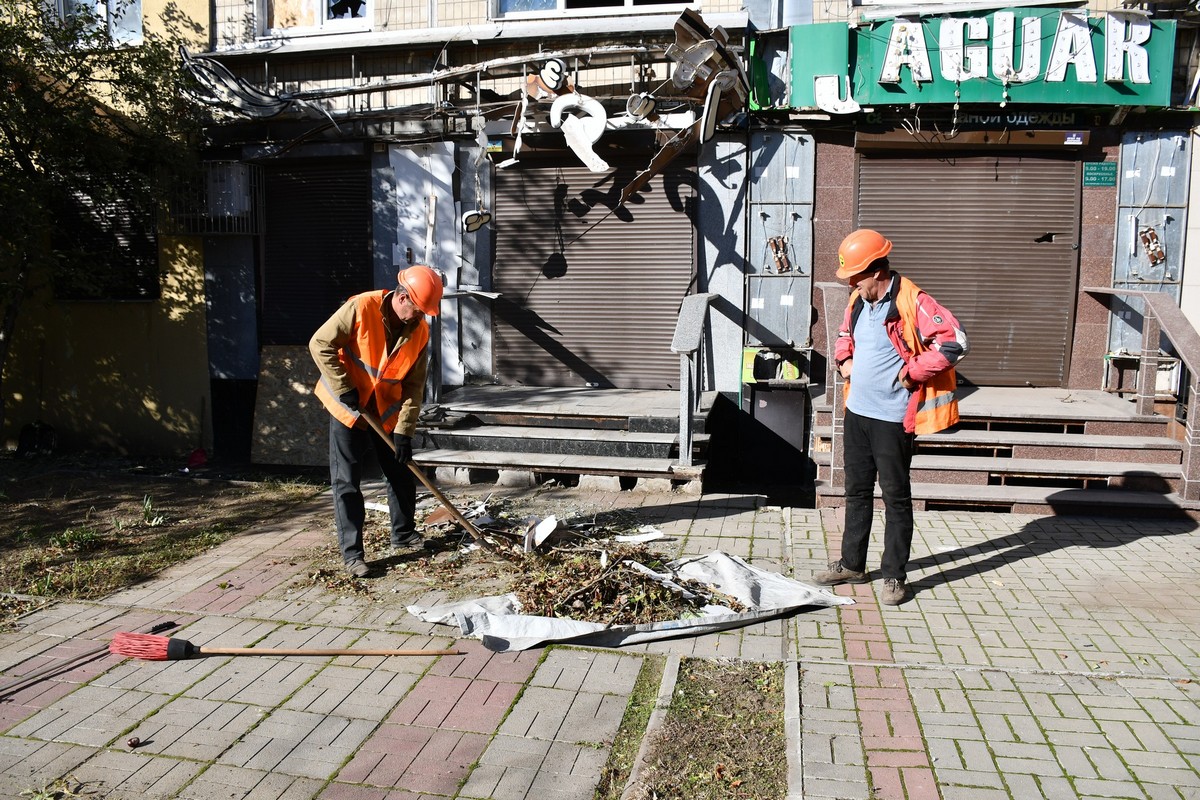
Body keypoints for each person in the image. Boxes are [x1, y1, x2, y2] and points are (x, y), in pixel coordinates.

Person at [814, 229, 968, 605]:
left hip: (893, 419)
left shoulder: (912, 300)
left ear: (876, 270)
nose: (851, 282)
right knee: (857, 491)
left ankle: (895, 575)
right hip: (857, 413)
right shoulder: (858, 300)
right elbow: (844, 335)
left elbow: (956, 342)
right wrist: (844, 360)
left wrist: (914, 371)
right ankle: (853, 564)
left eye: (856, 275)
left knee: (896, 497)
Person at [309, 264, 444, 578]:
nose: (421, 316)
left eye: (425, 311)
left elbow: (413, 386)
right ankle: (353, 555)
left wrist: (404, 432)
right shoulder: (361, 307)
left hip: (384, 412)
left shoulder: (419, 332)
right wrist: (344, 388)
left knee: (400, 470)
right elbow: (320, 343)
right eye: (419, 309)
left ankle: (404, 534)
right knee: (347, 482)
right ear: (401, 298)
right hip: (348, 408)